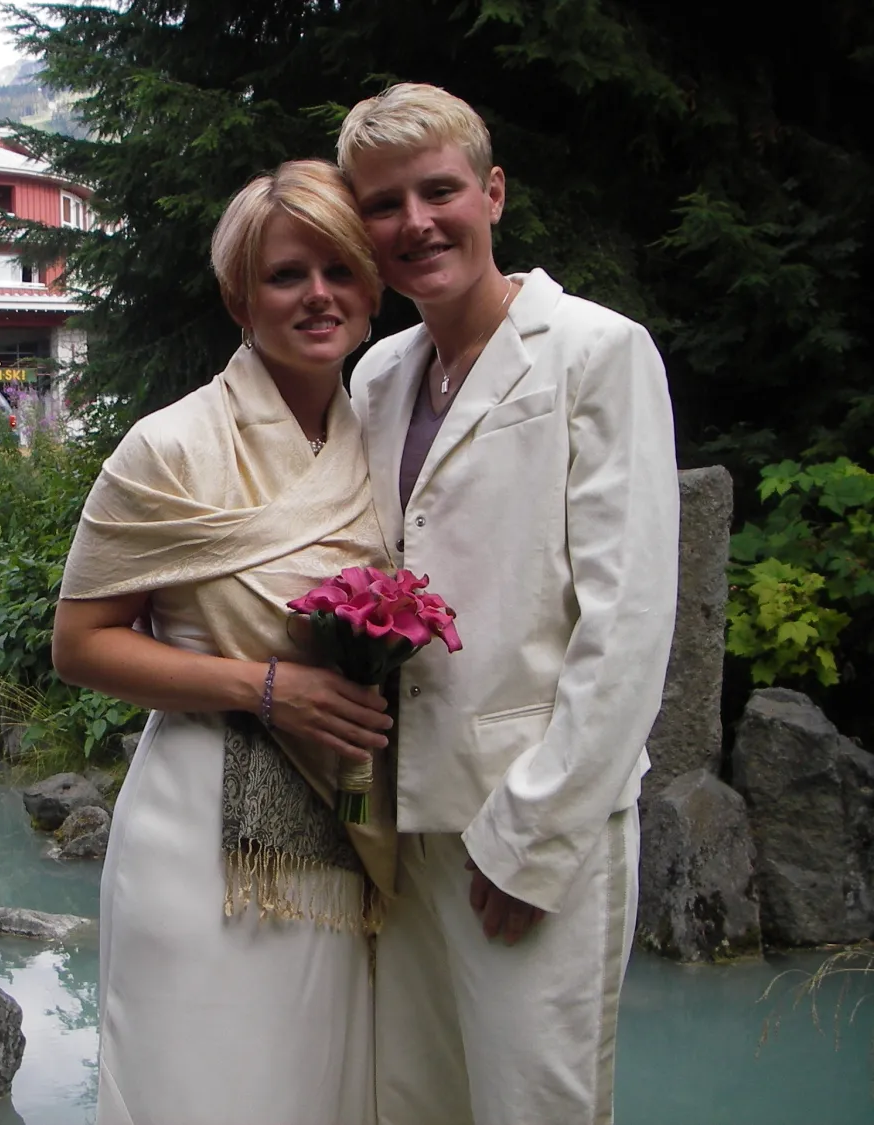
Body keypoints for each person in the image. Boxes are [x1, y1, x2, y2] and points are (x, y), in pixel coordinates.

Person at [337, 83, 680, 1125]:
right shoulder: (380, 373)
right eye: (385, 205)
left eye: (439, 191)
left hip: (532, 820)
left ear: (492, 194)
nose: (416, 222)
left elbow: (627, 622)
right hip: (400, 822)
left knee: (536, 1107)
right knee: (416, 1104)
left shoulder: (595, 352)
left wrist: (534, 836)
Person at [51, 159, 396, 1125]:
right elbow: (79, 645)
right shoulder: (170, 446)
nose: (318, 295)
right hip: (202, 841)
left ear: (373, 287)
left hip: (346, 828)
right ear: (240, 297)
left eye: (340, 269)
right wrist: (264, 687)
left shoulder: (390, 439)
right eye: (288, 274)